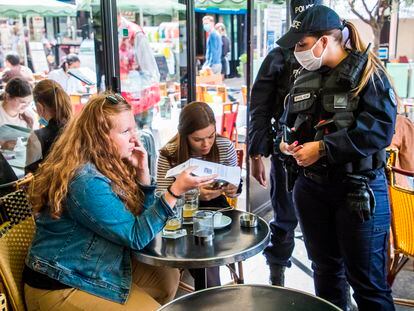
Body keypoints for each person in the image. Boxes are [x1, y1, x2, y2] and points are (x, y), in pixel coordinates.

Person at [23, 93, 215, 310]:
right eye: (125, 131)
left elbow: (139, 224)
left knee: (166, 278)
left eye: (134, 128)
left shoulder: (107, 164)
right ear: (99, 137)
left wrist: (143, 175)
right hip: (62, 282)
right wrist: (175, 190)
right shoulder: (85, 182)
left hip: (95, 265)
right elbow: (136, 237)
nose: (135, 138)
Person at [276, 5, 396, 310]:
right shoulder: (304, 77)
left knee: (368, 287)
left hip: (358, 193)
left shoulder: (368, 74)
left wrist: (324, 148)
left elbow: (378, 132)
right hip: (313, 190)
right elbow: (290, 126)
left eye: (302, 44)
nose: (297, 52)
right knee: (326, 276)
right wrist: (286, 145)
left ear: (326, 40)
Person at [249, 0, 321, 286]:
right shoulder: (279, 56)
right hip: (285, 152)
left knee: (322, 230)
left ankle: (328, 287)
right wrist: (256, 153)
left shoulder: (335, 58)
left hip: (326, 158)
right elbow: (259, 107)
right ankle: (276, 274)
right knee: (284, 219)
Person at [157, 101, 241, 287]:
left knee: (209, 249)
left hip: (219, 213)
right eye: (198, 139)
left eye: (211, 136)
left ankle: (208, 297)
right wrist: (195, 194)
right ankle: (212, 298)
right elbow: (159, 197)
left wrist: (234, 188)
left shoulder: (224, 146)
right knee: (205, 255)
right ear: (184, 135)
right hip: (181, 216)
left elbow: (234, 187)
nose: (206, 144)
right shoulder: (169, 153)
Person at [25, 79, 73, 173]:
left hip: (53, 187)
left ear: (39, 107)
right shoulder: (80, 128)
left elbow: (29, 177)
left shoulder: (37, 138)